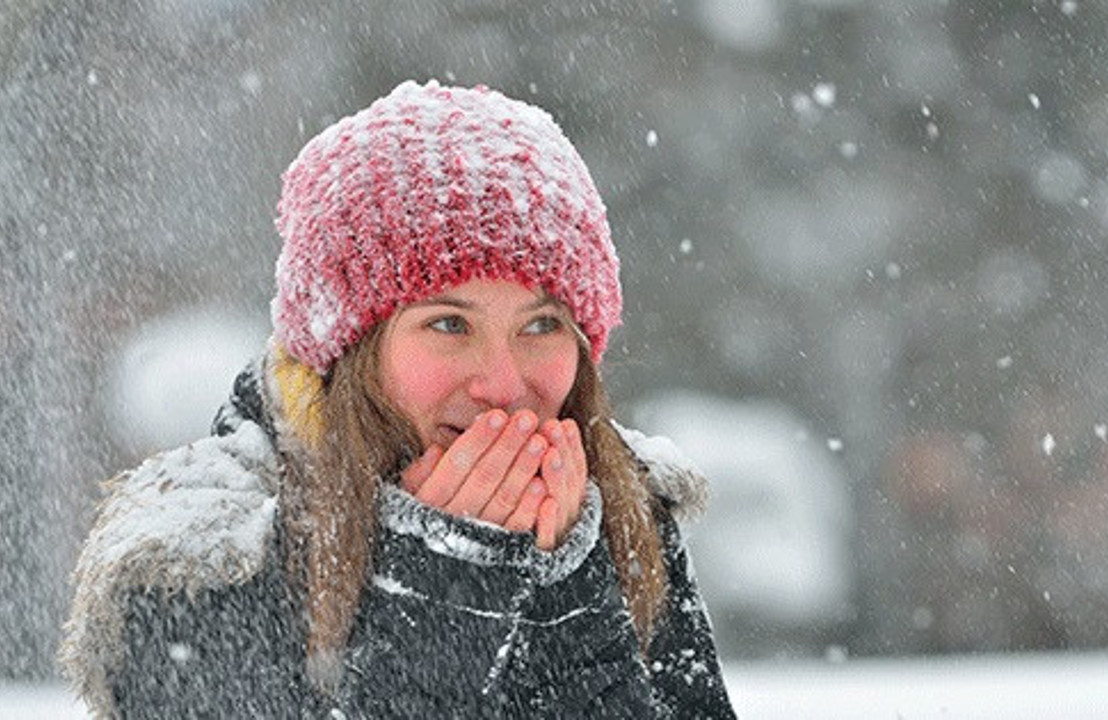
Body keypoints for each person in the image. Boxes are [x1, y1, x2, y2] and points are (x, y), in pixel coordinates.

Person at [61, 80, 736, 718]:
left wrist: (566, 593)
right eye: (449, 324)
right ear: (348, 350)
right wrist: (444, 593)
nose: (504, 385)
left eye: (541, 325)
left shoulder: (616, 511)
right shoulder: (202, 561)